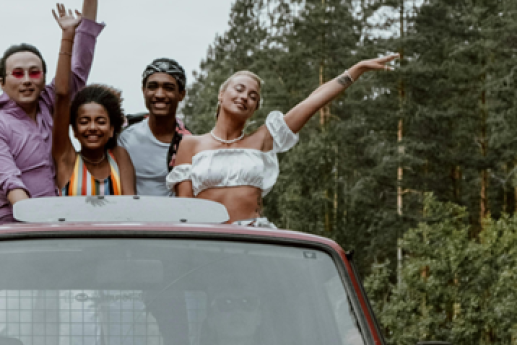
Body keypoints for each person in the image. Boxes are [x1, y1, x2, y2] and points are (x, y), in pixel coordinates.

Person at [167, 55, 399, 224]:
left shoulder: (262, 140)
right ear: (221, 94)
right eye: (238, 89)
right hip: (205, 238)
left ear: (255, 108)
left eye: (252, 96)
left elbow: (313, 101)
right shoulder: (190, 144)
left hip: (251, 239)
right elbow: (184, 208)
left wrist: (355, 71)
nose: (244, 97)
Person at [0, 0, 103, 224]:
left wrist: (78, 22)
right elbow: (9, 182)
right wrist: (37, 224)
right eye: (17, 73)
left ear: (44, 79)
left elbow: (79, 67)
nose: (26, 80)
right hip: (16, 224)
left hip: (60, 220)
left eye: (34, 73)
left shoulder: (48, 105)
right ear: (2, 82)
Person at [50, 5, 135, 196]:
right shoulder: (66, 158)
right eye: (84, 121)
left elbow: (131, 208)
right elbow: (62, 95)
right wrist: (67, 35)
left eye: (101, 121)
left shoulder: (119, 157)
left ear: (112, 128)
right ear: (74, 130)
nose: (92, 127)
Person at [118, 58, 192, 197]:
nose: (159, 94)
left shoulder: (189, 144)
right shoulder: (124, 135)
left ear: (181, 95)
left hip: (173, 217)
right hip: (128, 216)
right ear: (143, 91)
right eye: (152, 86)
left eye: (168, 88)